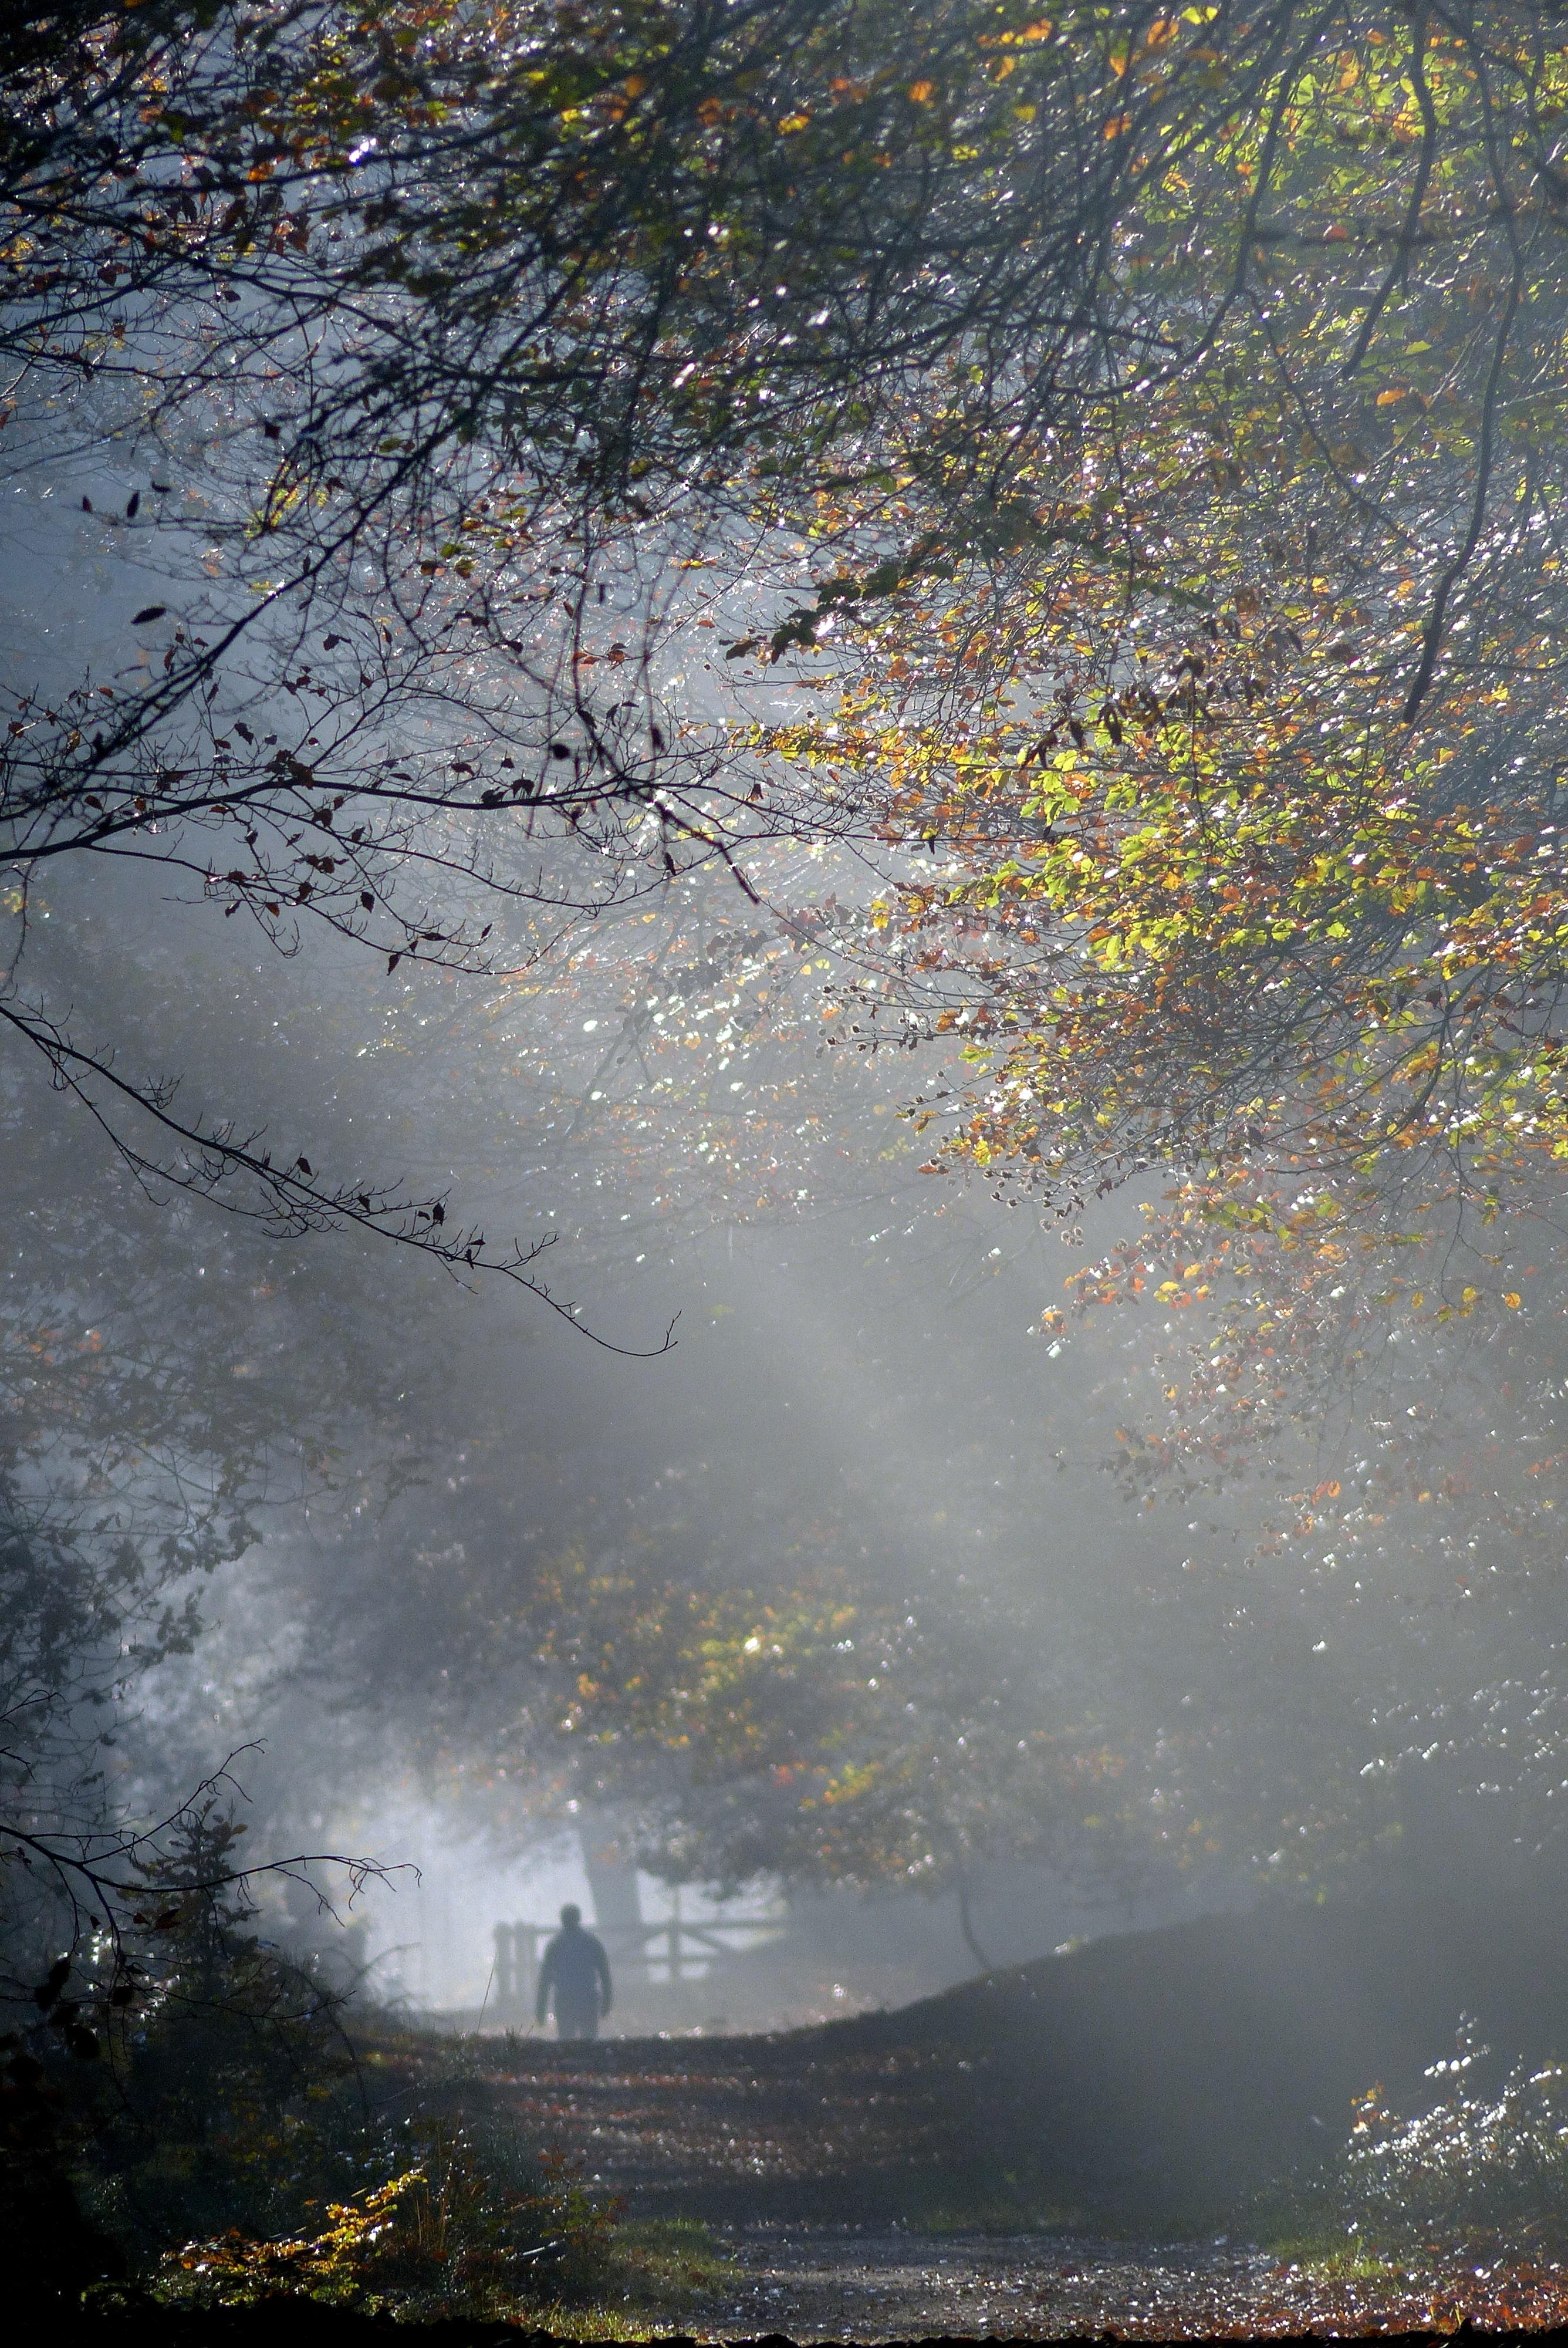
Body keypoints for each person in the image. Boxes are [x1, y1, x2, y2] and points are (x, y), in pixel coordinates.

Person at [535, 1902, 612, 2040]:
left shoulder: (555, 1945)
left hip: (565, 1998)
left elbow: (545, 1979)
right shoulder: (591, 1942)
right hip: (588, 1997)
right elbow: (604, 1973)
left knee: (566, 2039)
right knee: (589, 2039)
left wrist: (541, 2008)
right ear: (579, 1919)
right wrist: (607, 2001)